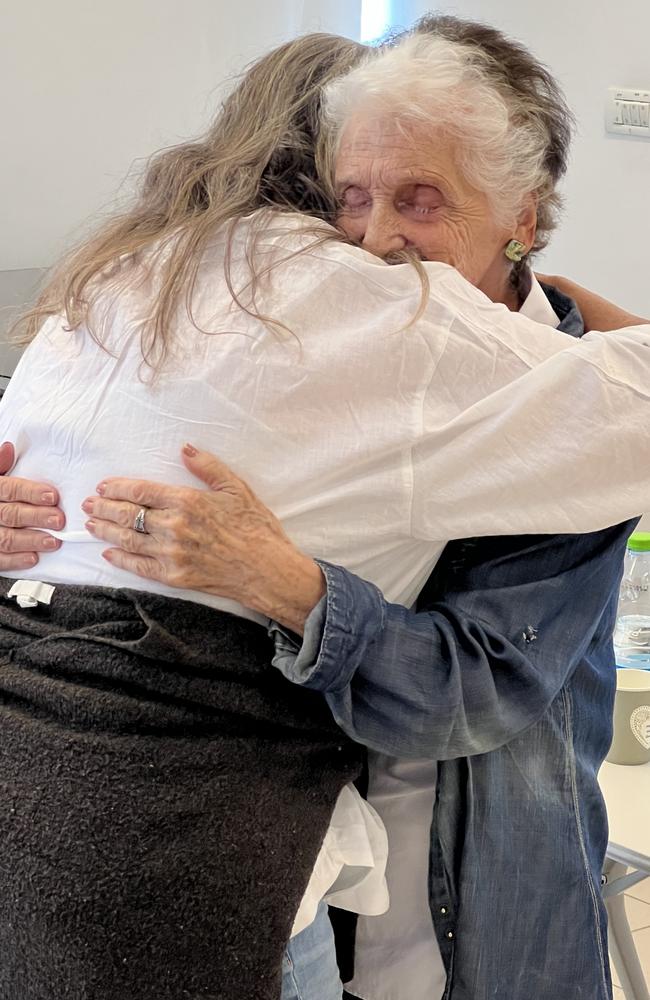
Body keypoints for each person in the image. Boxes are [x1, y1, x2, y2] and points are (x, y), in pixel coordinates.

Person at [0, 21, 649, 1000]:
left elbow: (479, 694)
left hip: (448, 913)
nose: (374, 237)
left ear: (521, 210)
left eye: (419, 198)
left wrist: (295, 590)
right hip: (295, 876)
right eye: (351, 197)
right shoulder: (317, 339)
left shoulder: (558, 408)